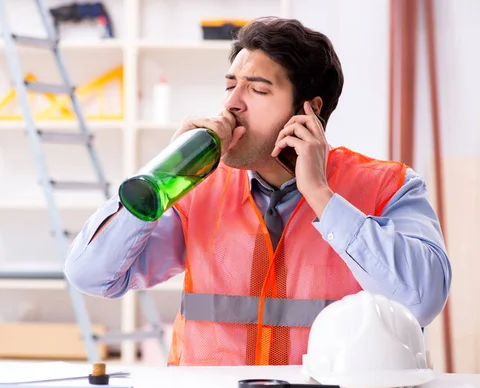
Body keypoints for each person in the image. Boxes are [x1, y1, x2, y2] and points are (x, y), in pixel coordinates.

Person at [64, 17, 452, 366]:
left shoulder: (388, 187)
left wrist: (319, 194)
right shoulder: (198, 190)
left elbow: (421, 300)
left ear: (309, 111)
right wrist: (163, 176)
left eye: (258, 91)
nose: (232, 104)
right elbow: (92, 276)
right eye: (231, 86)